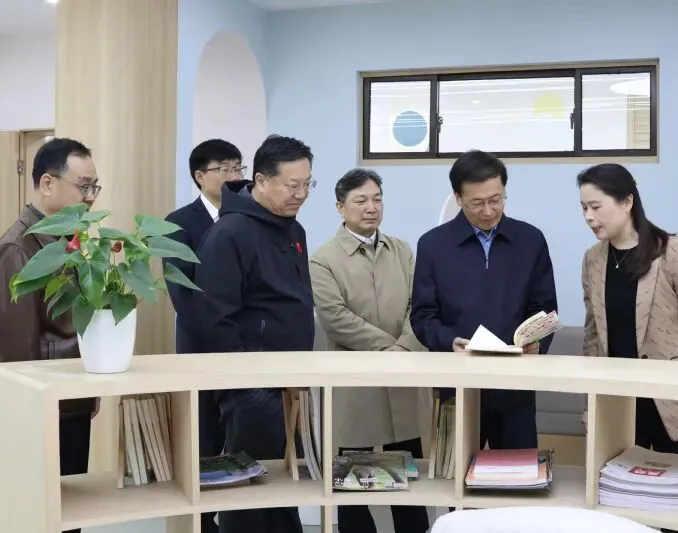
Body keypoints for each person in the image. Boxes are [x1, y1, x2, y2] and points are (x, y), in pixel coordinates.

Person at [578, 164, 678, 533]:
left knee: (674, 507)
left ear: (627, 202)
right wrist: (590, 399)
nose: (589, 216)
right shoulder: (593, 259)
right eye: (584, 208)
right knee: (622, 506)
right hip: (619, 401)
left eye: (596, 206)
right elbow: (593, 335)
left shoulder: (674, 251)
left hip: (675, 397)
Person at [193, 134, 316, 533]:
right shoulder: (230, 233)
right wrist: (249, 388)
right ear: (261, 180)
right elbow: (215, 319)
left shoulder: (292, 229)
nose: (301, 194)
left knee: (283, 487)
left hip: (290, 384)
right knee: (249, 493)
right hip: (253, 390)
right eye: (292, 185)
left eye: (307, 184)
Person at [0, 138, 100, 533]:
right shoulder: (17, 248)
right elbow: (15, 356)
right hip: (45, 409)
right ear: (48, 184)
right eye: (83, 186)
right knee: (45, 517)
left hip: (69, 400)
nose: (90, 198)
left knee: (70, 515)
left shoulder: (67, 239)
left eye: (94, 187)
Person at [410, 149, 558, 453]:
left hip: (515, 386)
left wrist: (537, 342)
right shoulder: (433, 245)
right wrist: (448, 341)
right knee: (457, 477)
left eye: (496, 200)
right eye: (477, 203)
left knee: (516, 473)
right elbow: (423, 315)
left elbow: (543, 307)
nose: (489, 211)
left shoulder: (530, 240)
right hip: (457, 385)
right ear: (458, 198)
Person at [309, 169, 431, 533]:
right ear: (340, 207)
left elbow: (419, 306)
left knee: (408, 479)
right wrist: (388, 348)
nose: (371, 207)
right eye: (360, 200)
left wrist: (405, 346)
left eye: (377, 199)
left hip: (403, 379)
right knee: (354, 482)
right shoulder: (324, 259)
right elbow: (335, 318)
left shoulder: (402, 250)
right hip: (356, 385)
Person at [164, 139, 244, 533]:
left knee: (243, 441)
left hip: (244, 353)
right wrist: (221, 341)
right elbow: (184, 296)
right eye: (224, 169)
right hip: (201, 351)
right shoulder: (178, 223)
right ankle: (203, 524)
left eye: (238, 168)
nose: (235, 176)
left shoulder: (249, 219)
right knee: (203, 441)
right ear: (200, 176)